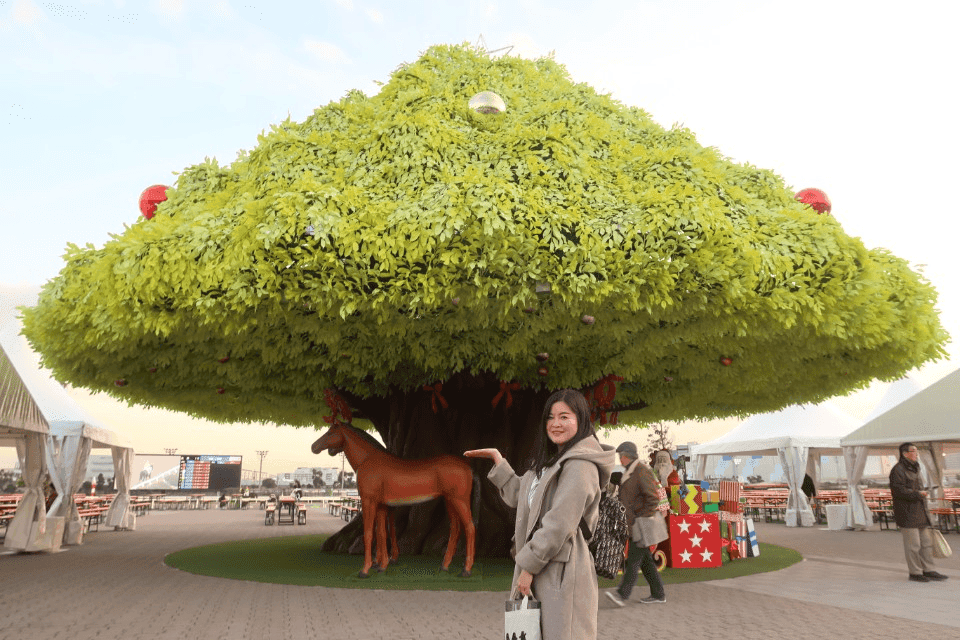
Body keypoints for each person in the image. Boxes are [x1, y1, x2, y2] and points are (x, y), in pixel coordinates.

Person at [465, 389, 615, 640]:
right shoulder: (553, 462)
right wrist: (498, 460)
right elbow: (523, 499)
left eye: (564, 417)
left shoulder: (580, 465)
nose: (556, 423)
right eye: (550, 417)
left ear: (581, 420)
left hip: (562, 571)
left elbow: (559, 524)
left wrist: (528, 567)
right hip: (543, 567)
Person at [605, 441, 667, 606]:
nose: (620, 459)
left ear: (626, 456)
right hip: (635, 524)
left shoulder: (641, 471)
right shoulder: (632, 471)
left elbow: (653, 497)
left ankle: (621, 595)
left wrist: (642, 516)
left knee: (633, 561)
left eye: (621, 456)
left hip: (641, 524)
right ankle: (658, 593)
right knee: (645, 561)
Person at [889, 442, 948, 583]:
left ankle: (929, 569)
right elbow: (898, 491)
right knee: (913, 545)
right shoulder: (898, 469)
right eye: (913, 451)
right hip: (907, 513)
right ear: (905, 453)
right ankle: (915, 572)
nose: (916, 453)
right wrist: (917, 494)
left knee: (926, 543)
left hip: (921, 511)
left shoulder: (916, 467)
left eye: (916, 450)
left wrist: (921, 493)